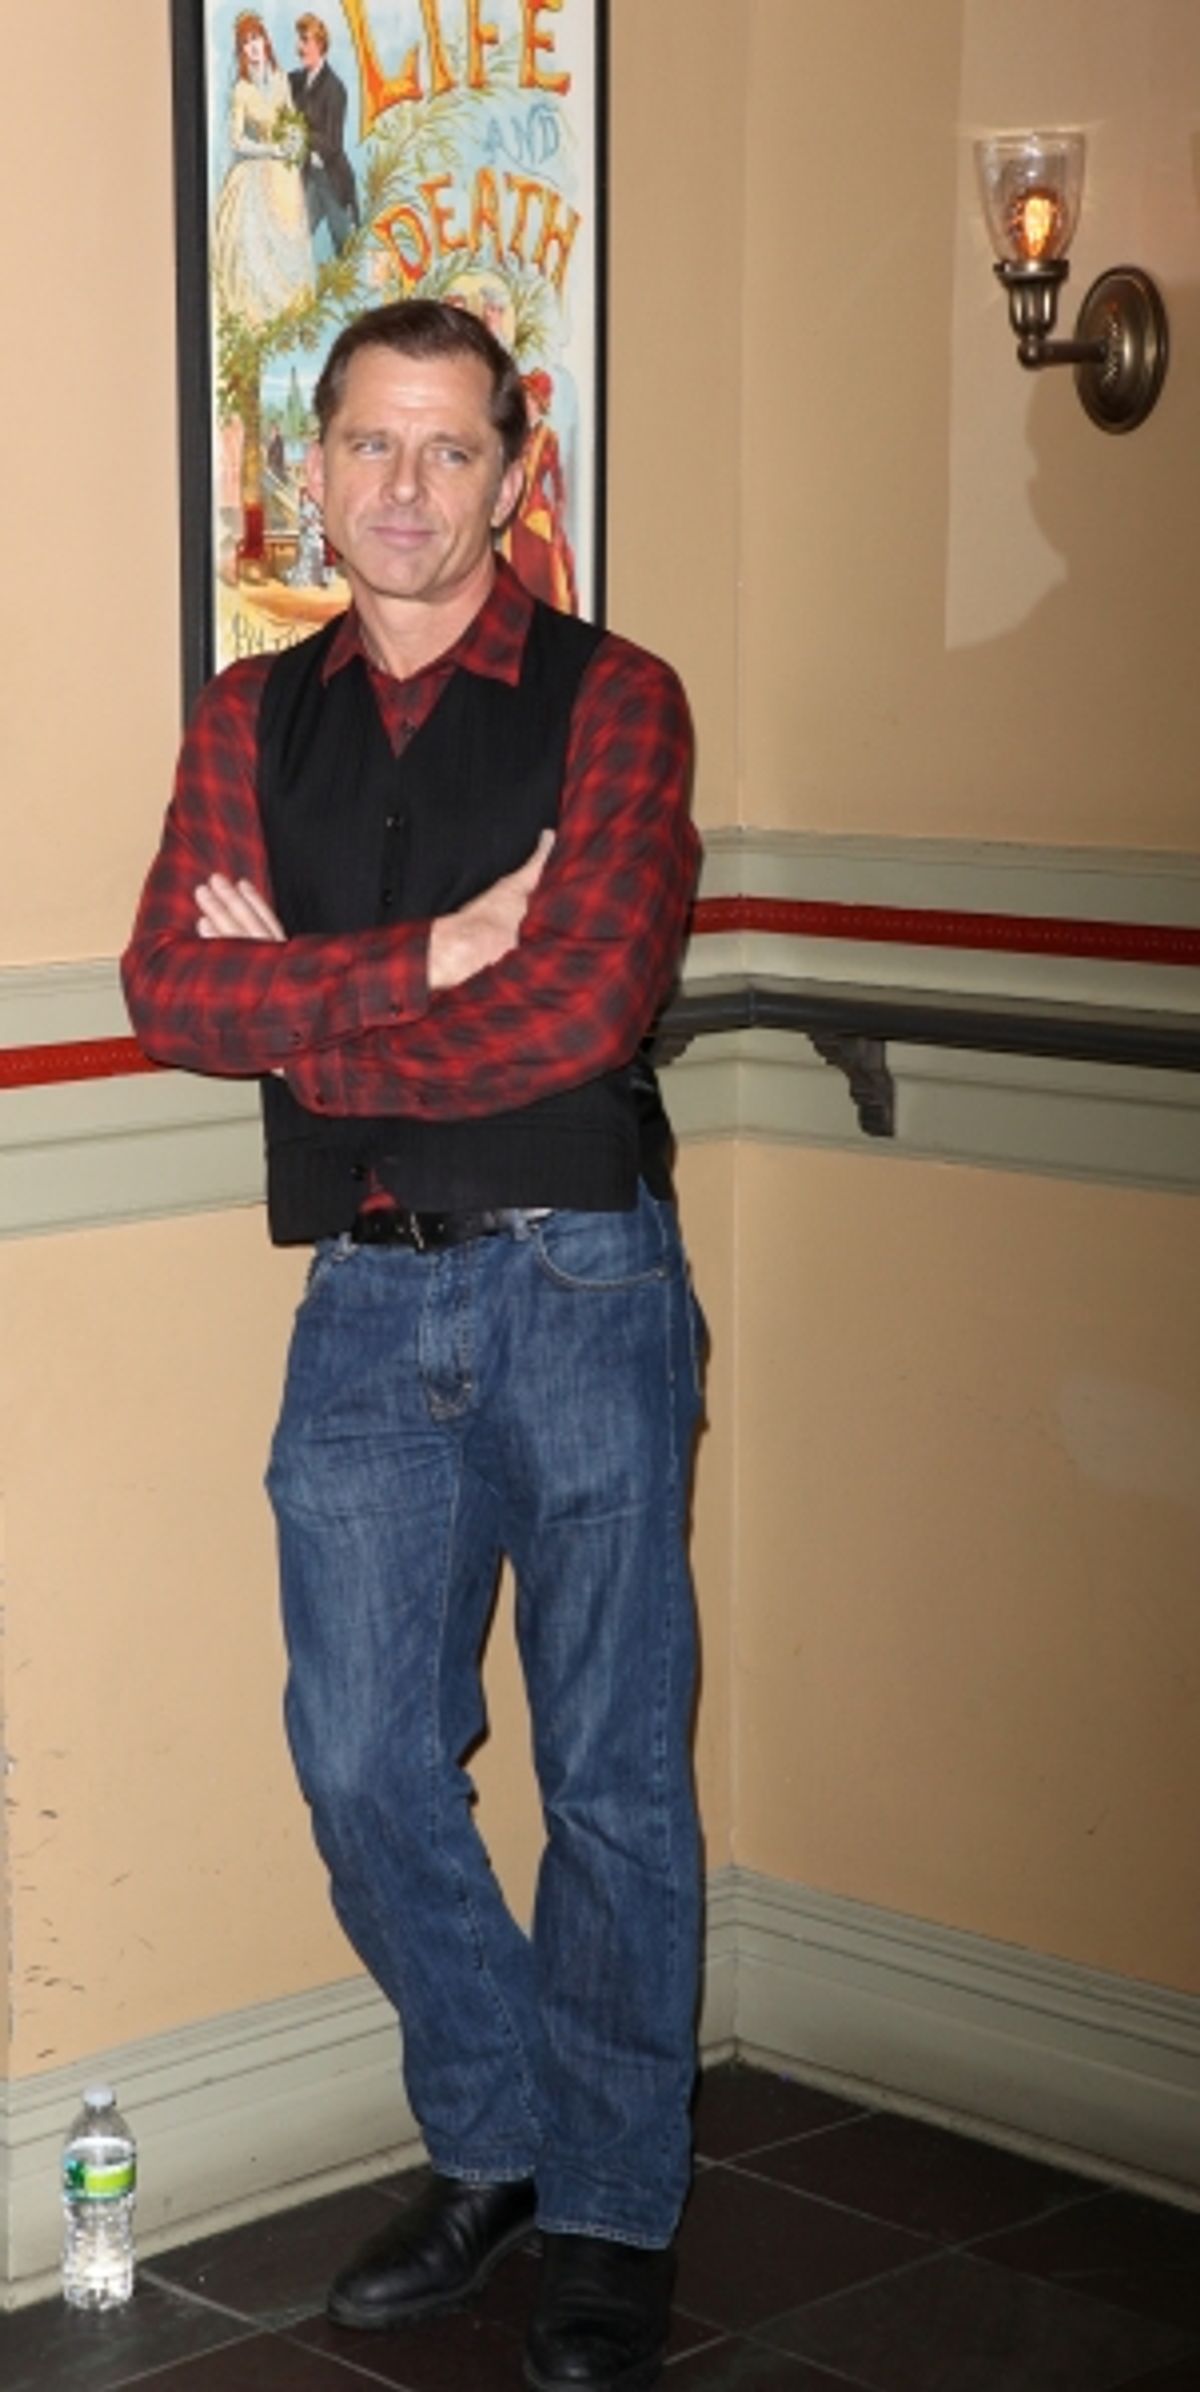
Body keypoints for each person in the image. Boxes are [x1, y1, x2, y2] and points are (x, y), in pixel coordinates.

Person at [123, 299, 703, 2392]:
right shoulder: (243, 717)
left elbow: (584, 1004)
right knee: (365, 1756)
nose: (405, 490)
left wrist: (329, 992)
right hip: (364, 1293)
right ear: (315, 468)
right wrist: (447, 940)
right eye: (371, 444)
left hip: (584, 1280)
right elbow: (166, 993)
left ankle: (614, 2208)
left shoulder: (616, 700)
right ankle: (506, 2125)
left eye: (452, 451)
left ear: (514, 472)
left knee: (614, 1775)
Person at [212, 12, 314, 332]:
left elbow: (293, 119)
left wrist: (294, 142)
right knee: (255, 242)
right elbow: (236, 139)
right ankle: (261, 316)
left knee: (290, 237)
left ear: (265, 41)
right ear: (241, 51)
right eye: (246, 43)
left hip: (284, 173)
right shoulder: (242, 89)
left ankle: (292, 316)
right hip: (259, 165)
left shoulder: (280, 79)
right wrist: (270, 149)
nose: (253, 47)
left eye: (256, 39)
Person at [504, 367, 579, 614]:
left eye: (531, 398)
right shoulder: (510, 437)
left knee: (547, 570)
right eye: (524, 396)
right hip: (509, 512)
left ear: (539, 404)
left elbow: (558, 483)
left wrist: (557, 516)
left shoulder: (548, 438)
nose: (526, 403)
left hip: (536, 513)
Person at [289, 14, 360, 257]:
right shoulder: (294, 81)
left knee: (346, 250)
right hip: (308, 177)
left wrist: (300, 132)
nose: (300, 48)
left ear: (319, 44)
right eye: (300, 41)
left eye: (305, 41)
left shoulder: (335, 88)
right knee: (295, 238)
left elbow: (332, 144)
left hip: (332, 181)